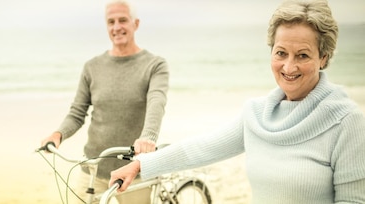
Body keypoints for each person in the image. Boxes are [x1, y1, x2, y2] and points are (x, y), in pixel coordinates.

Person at [109, 0, 365, 203]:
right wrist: (141, 164)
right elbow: (200, 148)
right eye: (281, 53)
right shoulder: (257, 114)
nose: (289, 66)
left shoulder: (346, 121)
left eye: (303, 55)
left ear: (323, 57)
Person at [39, 0, 169, 203]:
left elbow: (157, 102)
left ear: (136, 24)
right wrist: (58, 134)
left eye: (123, 20)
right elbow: (77, 112)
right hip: (93, 168)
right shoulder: (92, 67)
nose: (117, 27)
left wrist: (148, 137)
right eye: (111, 22)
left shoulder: (155, 65)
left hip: (134, 170)